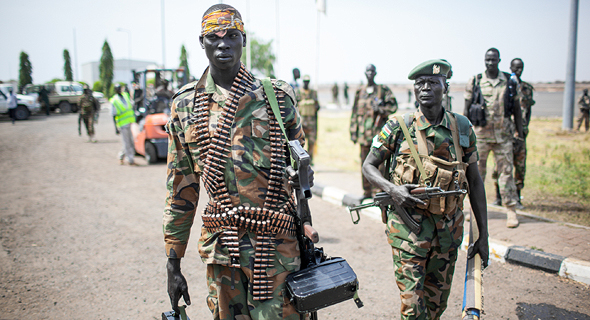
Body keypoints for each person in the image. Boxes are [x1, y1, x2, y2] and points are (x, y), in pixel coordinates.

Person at [163, 4, 309, 319]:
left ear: (243, 39)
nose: (223, 44)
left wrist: (307, 224)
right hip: (222, 252)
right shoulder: (186, 106)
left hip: (276, 250)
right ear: (201, 42)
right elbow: (180, 189)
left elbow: (300, 171)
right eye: (213, 37)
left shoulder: (277, 98)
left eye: (232, 35)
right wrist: (173, 262)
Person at [363, 59, 489, 320]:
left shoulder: (462, 127)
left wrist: (483, 235)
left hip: (447, 235)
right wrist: (393, 189)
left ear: (445, 87)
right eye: (419, 84)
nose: (425, 88)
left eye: (433, 83)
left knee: (435, 308)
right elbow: (369, 166)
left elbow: (475, 182)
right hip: (408, 234)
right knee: (412, 309)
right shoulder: (398, 126)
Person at [464, 48, 524, 228]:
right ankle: (472, 209)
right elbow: (466, 110)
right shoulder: (475, 81)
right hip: (480, 137)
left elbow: (517, 110)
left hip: (503, 136)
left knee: (506, 174)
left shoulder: (509, 81)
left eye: (493, 59)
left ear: (499, 60)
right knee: (476, 174)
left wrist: (519, 134)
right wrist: (464, 134)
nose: (490, 63)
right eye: (487, 60)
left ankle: (511, 210)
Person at [491, 58, 535, 209]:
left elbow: (527, 111)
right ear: (510, 68)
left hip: (521, 135)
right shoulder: (506, 86)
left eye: (520, 68)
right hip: (506, 133)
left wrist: (523, 129)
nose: (518, 71)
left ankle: (517, 197)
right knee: (501, 166)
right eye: (515, 68)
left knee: (520, 166)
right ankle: (498, 197)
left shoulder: (526, 88)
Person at [350, 64, 398, 199]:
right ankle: (366, 192)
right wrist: (353, 131)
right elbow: (354, 113)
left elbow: (393, 106)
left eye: (372, 71)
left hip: (379, 138)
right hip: (363, 136)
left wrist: (381, 110)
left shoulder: (382, 90)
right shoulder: (360, 91)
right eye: (367, 71)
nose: (370, 74)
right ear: (365, 73)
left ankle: (378, 193)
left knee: (379, 166)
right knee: (364, 164)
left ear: (375, 73)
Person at [110, 84, 137, 166]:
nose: (119, 90)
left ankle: (121, 156)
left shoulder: (125, 96)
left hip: (129, 122)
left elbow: (131, 104)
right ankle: (130, 159)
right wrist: (116, 128)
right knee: (127, 143)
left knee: (130, 141)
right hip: (122, 124)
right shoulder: (114, 100)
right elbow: (113, 115)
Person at [298, 75, 320, 163]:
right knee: (299, 144)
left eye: (308, 81)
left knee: (311, 142)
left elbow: (317, 106)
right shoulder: (298, 92)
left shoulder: (313, 93)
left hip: (311, 123)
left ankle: (310, 161)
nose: (306, 83)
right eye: (305, 81)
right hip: (301, 124)